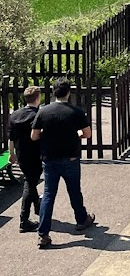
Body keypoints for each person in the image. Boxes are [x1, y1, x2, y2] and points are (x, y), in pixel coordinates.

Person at [31, 77, 96, 249]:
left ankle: (43, 233)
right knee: (74, 190)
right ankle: (81, 219)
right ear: (68, 93)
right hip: (70, 157)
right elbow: (87, 134)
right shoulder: (76, 112)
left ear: (53, 93)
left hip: (50, 159)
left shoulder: (43, 112)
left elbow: (34, 136)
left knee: (48, 195)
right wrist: (78, 136)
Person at [7, 86, 42, 233]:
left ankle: (38, 207)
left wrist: (11, 153)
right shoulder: (38, 115)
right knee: (30, 183)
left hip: (21, 154)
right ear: (38, 98)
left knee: (31, 180)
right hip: (36, 154)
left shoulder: (15, 115)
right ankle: (24, 219)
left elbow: (11, 138)